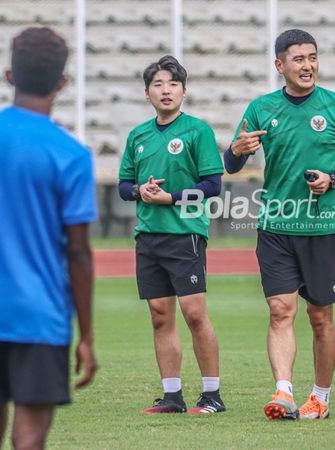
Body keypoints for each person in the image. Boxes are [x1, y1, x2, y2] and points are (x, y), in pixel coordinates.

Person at [0, 27, 98, 450]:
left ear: (10, 75)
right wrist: (85, 335)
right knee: (29, 438)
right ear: (62, 83)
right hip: (41, 317)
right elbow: (79, 252)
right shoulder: (71, 155)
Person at [224, 29, 335, 420]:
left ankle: (320, 397)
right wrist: (235, 150)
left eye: (313, 58)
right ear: (280, 65)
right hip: (275, 224)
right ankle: (283, 392)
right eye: (299, 59)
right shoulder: (260, 108)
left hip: (321, 227)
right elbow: (232, 163)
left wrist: (332, 179)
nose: (307, 66)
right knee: (279, 309)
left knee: (320, 316)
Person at [118, 55, 227, 414]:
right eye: (158, 85)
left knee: (194, 314)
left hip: (185, 236)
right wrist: (141, 192)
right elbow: (123, 186)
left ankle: (212, 395)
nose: (166, 91)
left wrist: (172, 198)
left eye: (173, 84)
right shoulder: (138, 136)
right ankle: (172, 396)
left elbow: (212, 186)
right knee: (159, 316)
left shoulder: (198, 131)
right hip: (149, 237)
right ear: (147, 92)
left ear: (184, 90)